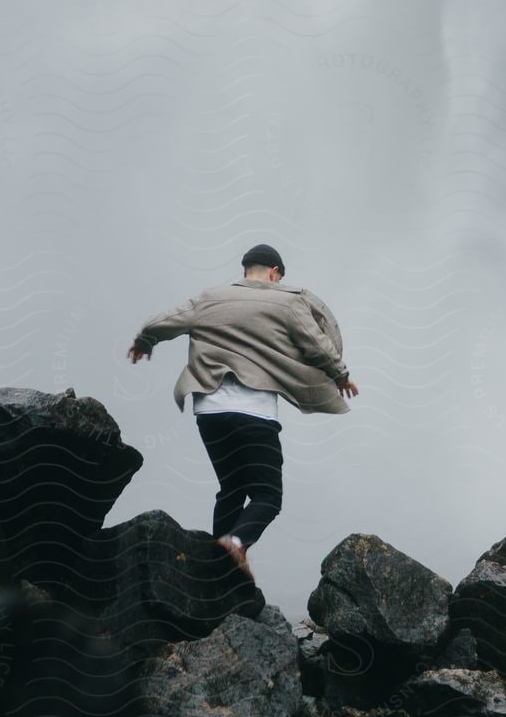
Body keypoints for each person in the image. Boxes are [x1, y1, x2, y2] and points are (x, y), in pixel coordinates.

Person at [127, 243, 358, 580]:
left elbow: (164, 321)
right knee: (268, 496)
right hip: (254, 413)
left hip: (209, 412)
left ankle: (217, 568)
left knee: (232, 489)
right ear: (275, 273)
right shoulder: (287, 301)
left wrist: (144, 341)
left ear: (246, 268)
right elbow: (316, 343)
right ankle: (236, 542)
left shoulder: (210, 297)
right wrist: (341, 375)